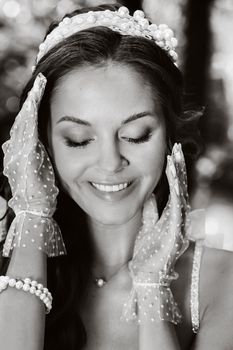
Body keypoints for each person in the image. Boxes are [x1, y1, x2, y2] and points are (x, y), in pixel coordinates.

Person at [0, 3, 233, 350]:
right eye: (79, 140)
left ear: (170, 135)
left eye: (136, 135)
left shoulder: (221, 280)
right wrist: (33, 214)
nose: (110, 163)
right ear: (41, 142)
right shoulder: (11, 265)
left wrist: (153, 291)